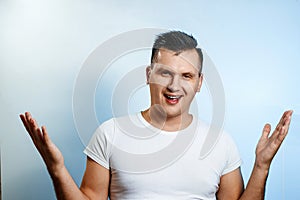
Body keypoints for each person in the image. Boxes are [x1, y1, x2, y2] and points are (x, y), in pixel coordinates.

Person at [20, 31, 293, 200]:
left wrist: (261, 167)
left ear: (199, 83)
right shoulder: (110, 133)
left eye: (186, 76)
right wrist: (56, 169)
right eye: (165, 73)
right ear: (149, 75)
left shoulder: (220, 143)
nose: (175, 86)